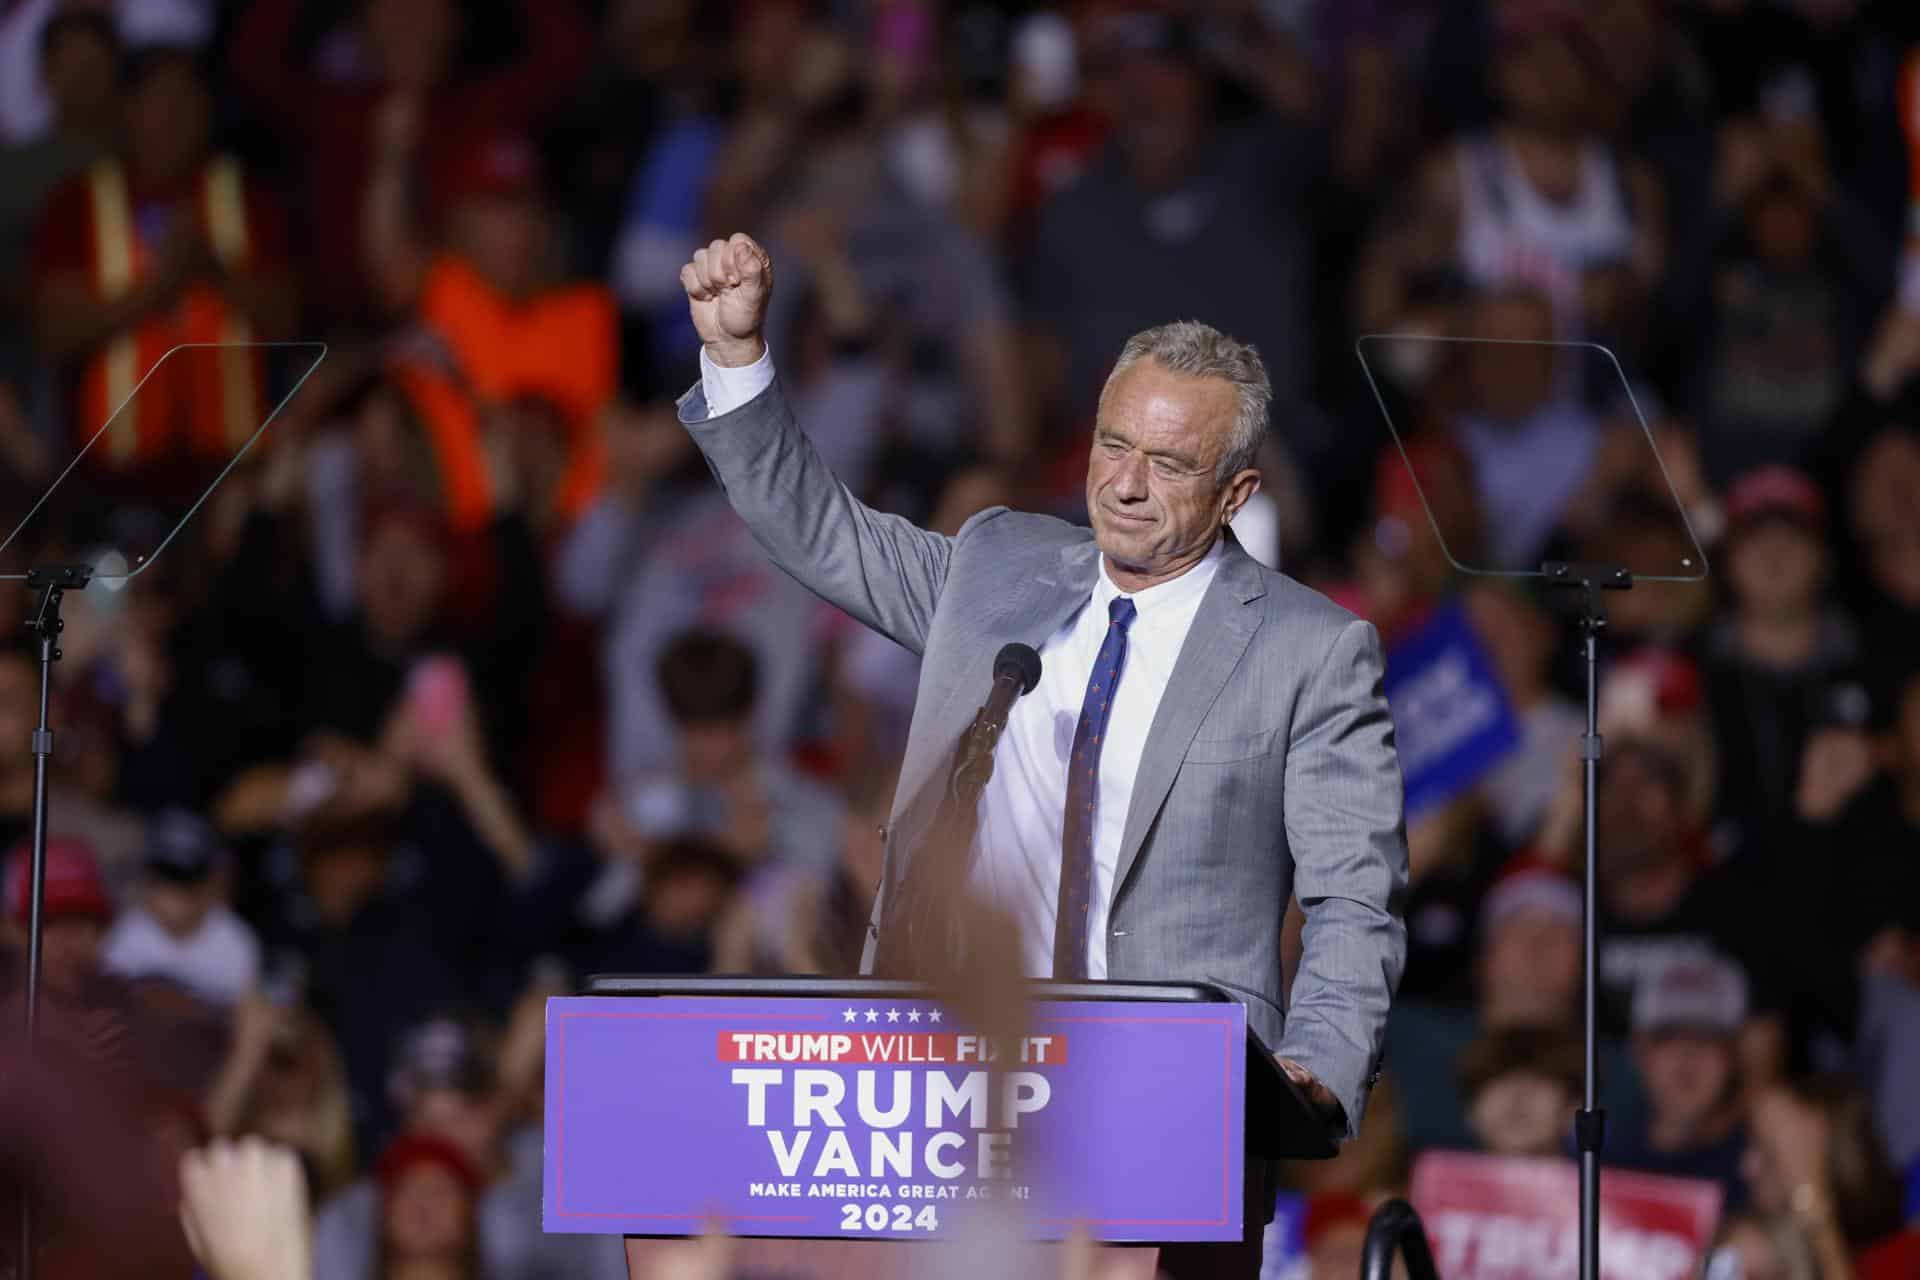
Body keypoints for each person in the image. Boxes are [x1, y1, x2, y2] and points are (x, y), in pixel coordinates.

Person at [677, 233, 1407, 1278]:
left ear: (1238, 492)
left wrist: (1319, 1064)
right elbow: (822, 532)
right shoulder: (996, 564)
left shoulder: (1312, 648)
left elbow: (1356, 893)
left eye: (1170, 463)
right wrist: (739, 360)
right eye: (1115, 444)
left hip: (1163, 1103)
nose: (1128, 484)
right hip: (942, 1084)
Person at [1611, 952, 1751, 1205]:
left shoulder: (1754, 1167)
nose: (1687, 1057)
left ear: (1733, 1055)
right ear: (1639, 1050)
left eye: (1706, 1038)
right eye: (1669, 1037)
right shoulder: (1602, 1155)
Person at [100, 809, 260, 1007]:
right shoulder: (124, 938)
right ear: (149, 880)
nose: (174, 892)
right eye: (166, 877)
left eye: (184, 879)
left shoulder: (235, 941)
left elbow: (245, 1021)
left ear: (208, 883)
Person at [1456, 1024, 1583, 1159]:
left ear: (1574, 1107)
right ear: (1470, 1109)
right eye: (1501, 1083)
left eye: (1536, 1083)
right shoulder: (1432, 1177)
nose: (1517, 1098)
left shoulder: (1597, 1180)